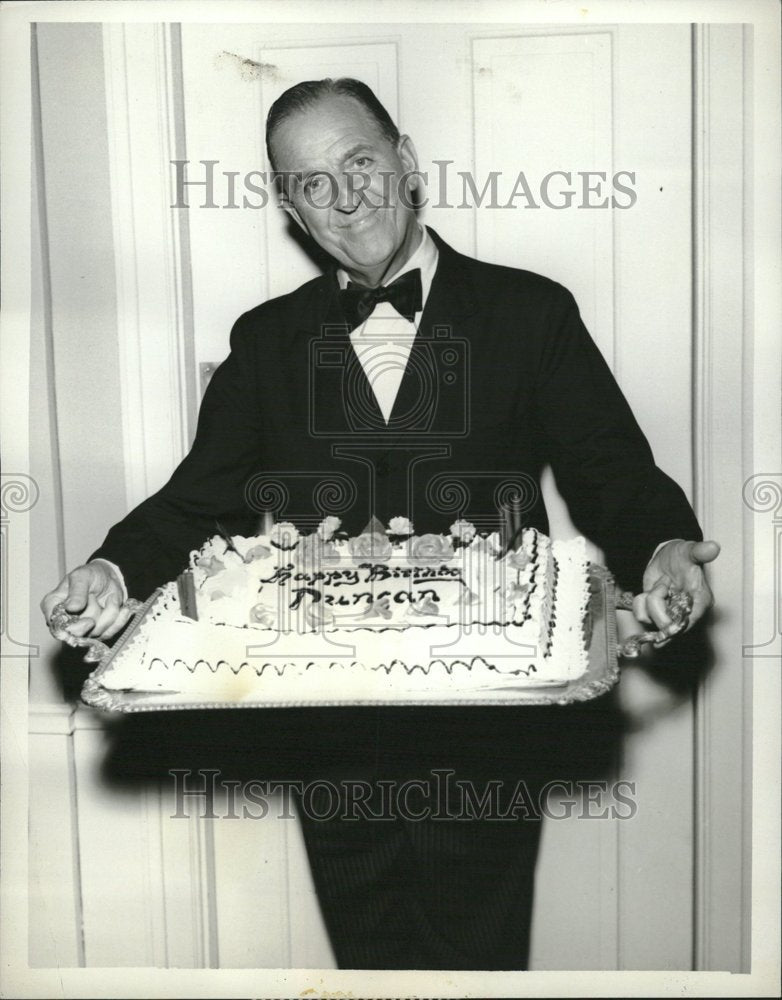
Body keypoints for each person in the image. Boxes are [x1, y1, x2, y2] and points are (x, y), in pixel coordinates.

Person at [41, 78, 719, 970]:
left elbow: (611, 469)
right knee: (372, 966)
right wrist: (112, 570)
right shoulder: (266, 341)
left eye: (358, 160)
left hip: (484, 738)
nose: (345, 194)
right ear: (291, 207)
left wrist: (664, 544)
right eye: (311, 181)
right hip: (329, 740)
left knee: (474, 966)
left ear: (404, 160)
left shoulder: (530, 312)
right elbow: (196, 497)